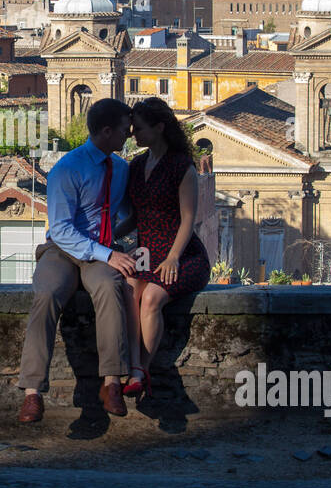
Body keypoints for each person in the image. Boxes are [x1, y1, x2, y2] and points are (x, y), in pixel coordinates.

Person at [18, 98, 135, 423]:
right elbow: (63, 230)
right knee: (46, 295)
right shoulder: (68, 169)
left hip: (100, 250)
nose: (129, 136)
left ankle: (111, 381)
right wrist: (109, 254)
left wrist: (121, 246)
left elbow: (125, 213)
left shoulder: (121, 170)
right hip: (62, 250)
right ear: (107, 131)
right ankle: (32, 392)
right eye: (125, 131)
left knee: (111, 290)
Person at [121, 97, 210, 400]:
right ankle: (134, 366)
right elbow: (135, 217)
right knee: (129, 293)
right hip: (148, 251)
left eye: (140, 129)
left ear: (159, 128)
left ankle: (140, 370)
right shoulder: (136, 166)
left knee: (151, 299)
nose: (134, 135)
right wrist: (104, 239)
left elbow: (189, 218)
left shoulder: (181, 166)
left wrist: (173, 257)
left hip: (182, 254)